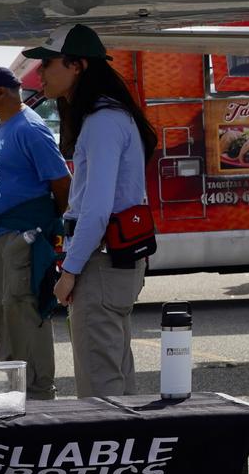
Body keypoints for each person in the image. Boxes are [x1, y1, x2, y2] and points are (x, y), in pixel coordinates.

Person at [30, 26, 158, 398]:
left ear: (77, 66)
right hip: (112, 261)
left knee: (100, 386)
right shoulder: (111, 116)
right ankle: (129, 452)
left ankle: (112, 454)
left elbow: (97, 209)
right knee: (116, 374)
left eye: (47, 63)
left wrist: (69, 273)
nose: (40, 72)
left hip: (99, 264)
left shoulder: (102, 121)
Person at [0, 67, 69, 401]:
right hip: (2, 231)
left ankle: (38, 390)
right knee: (3, 307)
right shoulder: (1, 125)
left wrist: (53, 226)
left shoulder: (30, 129)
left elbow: (61, 181)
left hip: (24, 233)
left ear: (0, 91)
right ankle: (14, 385)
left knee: (24, 306)